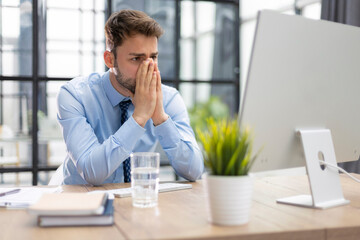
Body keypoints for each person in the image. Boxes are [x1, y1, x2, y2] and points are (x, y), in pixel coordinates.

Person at [56, 9, 204, 185]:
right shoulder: (75, 95)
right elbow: (91, 172)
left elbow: (194, 172)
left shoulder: (169, 98)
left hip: (137, 203)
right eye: (136, 59)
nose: (148, 68)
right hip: (81, 202)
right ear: (110, 60)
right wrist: (139, 117)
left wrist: (160, 117)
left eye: (153, 57)